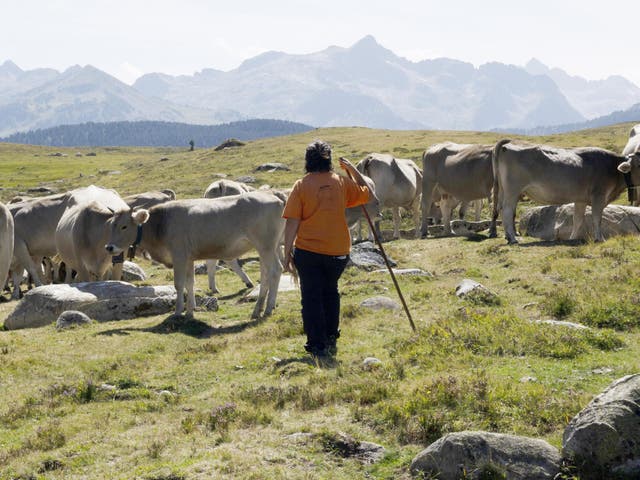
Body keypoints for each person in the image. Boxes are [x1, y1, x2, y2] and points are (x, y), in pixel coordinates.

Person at [282, 140, 371, 358]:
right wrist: (352, 170)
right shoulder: (340, 182)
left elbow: (292, 221)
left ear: (307, 161)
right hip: (338, 251)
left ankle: (317, 345)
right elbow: (366, 192)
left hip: (308, 251)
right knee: (330, 290)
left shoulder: (301, 186)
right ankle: (331, 335)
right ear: (328, 160)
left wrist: (286, 253)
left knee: (312, 296)